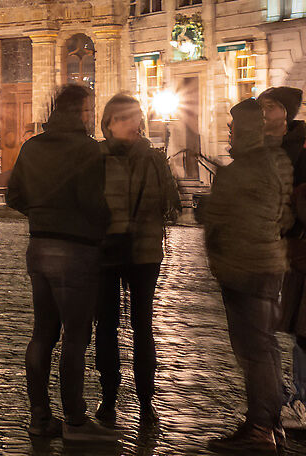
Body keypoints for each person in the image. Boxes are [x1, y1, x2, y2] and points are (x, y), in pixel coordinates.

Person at [5, 83, 110, 444]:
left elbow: (13, 195)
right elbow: (92, 202)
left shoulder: (33, 146)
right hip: (76, 249)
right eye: (87, 109)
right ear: (79, 111)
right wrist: (102, 228)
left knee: (42, 334)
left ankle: (39, 417)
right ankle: (76, 419)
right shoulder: (87, 149)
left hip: (40, 246)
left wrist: (40, 215)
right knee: (76, 336)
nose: (90, 115)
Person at [201, 97, 295, 452]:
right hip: (269, 264)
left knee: (254, 352)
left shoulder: (242, 170)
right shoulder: (278, 160)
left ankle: (260, 427)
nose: (228, 131)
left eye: (232, 125)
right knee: (266, 348)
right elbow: (284, 217)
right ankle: (270, 421)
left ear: (245, 128)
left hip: (245, 269)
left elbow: (221, 221)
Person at [94, 91, 181, 430]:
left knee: (143, 327)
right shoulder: (96, 158)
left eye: (135, 117)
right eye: (122, 118)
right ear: (108, 124)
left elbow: (172, 203)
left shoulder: (154, 158)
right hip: (106, 252)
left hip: (144, 253)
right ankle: (109, 397)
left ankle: (147, 402)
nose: (131, 124)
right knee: (106, 327)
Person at [260, 85, 306, 430]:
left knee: (302, 327)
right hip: (269, 247)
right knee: (282, 326)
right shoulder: (260, 148)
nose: (264, 112)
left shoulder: (300, 149)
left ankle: (301, 398)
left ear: (286, 113)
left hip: (296, 247)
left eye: (271, 106)